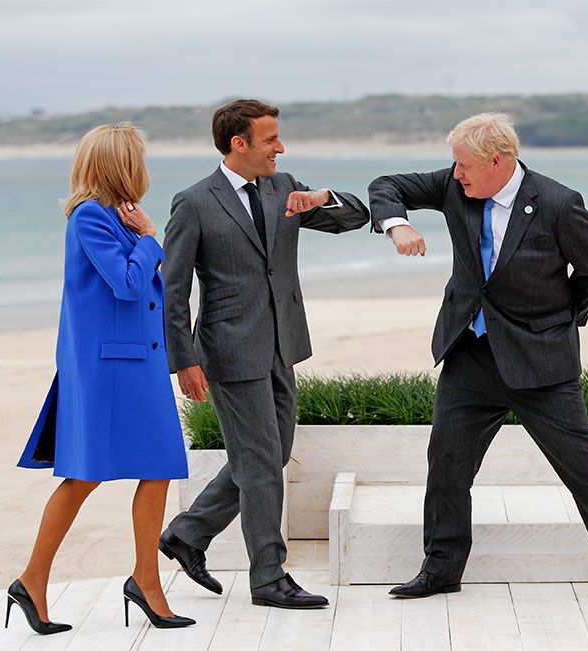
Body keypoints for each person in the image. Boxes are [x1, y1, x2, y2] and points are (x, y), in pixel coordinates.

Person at [369, 113, 588, 602]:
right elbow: (386, 184)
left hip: (541, 362)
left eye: (465, 165)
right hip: (470, 356)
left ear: (499, 161)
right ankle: (440, 570)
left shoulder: (558, 202)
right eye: (454, 165)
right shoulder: (455, 187)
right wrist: (397, 225)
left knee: (581, 464)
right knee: (447, 463)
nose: (456, 174)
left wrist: (558, 322)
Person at [160, 99, 369, 609]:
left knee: (267, 457)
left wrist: (323, 197)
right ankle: (268, 577)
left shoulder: (284, 186)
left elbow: (355, 219)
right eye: (271, 139)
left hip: (284, 344)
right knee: (259, 465)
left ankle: (187, 532)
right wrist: (183, 360)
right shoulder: (194, 202)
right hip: (229, 350)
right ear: (240, 144)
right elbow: (172, 289)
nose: (281, 147)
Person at [12, 124, 194, 635]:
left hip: (140, 365)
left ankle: (146, 581)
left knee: (158, 467)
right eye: (137, 157)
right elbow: (129, 285)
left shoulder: (117, 216)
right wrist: (150, 238)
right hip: (109, 370)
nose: (144, 167)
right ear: (120, 164)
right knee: (85, 474)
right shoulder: (90, 217)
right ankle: (32, 580)